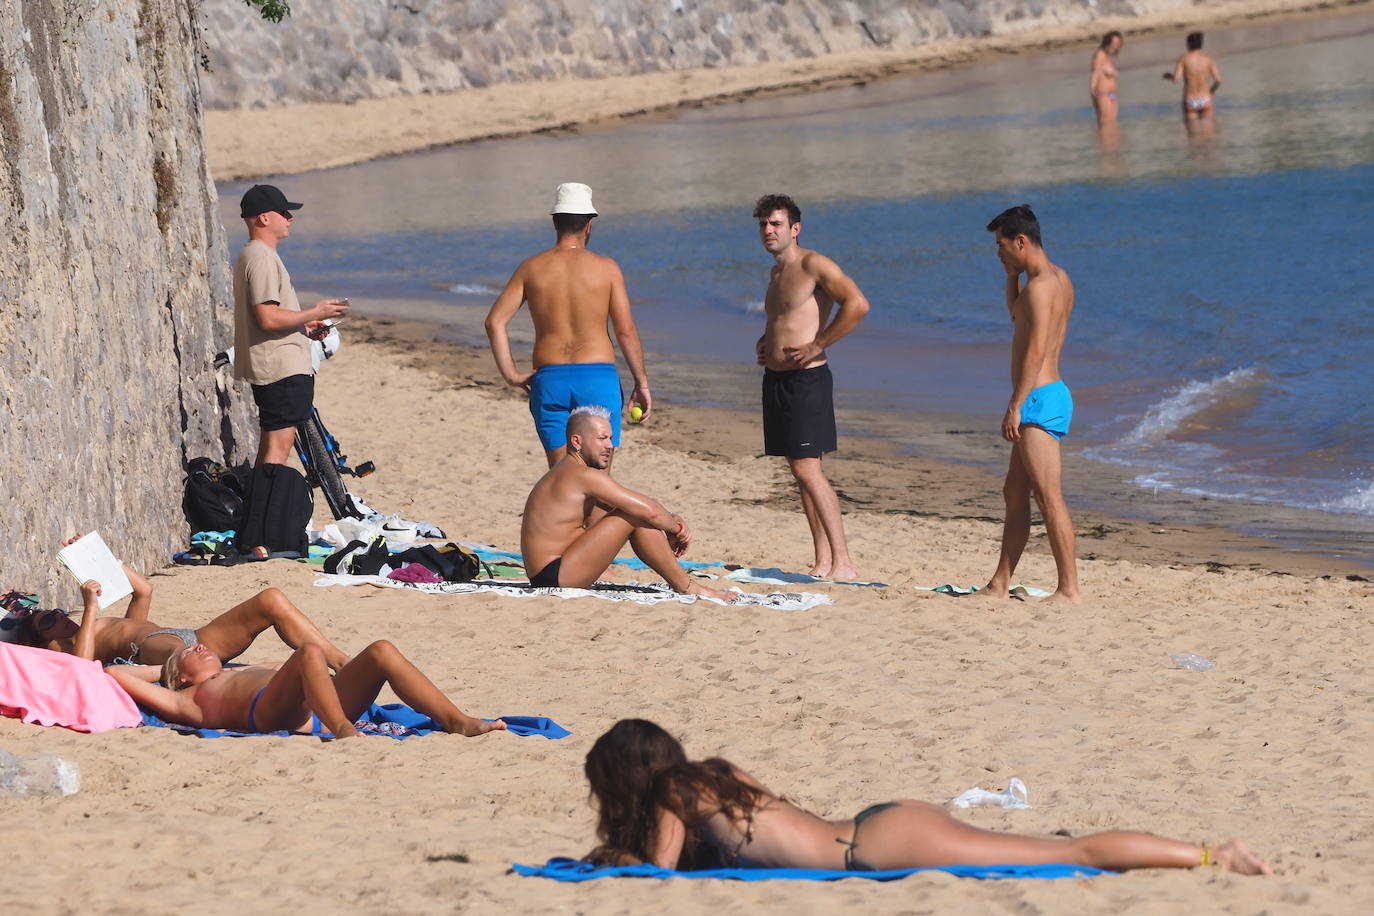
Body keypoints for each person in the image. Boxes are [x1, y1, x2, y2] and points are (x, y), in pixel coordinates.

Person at [583, 719, 1272, 875]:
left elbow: (656, 877)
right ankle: (1205, 853)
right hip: (878, 821)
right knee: (1057, 852)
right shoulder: (714, 772)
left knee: (1072, 851)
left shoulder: (672, 796)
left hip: (877, 846)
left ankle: (1211, 855)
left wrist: (616, 858)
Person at [485, 183, 652, 468]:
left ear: (554, 222)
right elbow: (626, 331)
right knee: (598, 478)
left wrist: (511, 375)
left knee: (562, 479)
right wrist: (641, 383)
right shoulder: (607, 268)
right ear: (589, 225)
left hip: (550, 380)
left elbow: (494, 321)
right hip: (597, 379)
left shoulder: (532, 268)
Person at [17, 533, 350, 669]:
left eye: (57, 611)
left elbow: (143, 591)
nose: (59, 616)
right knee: (207, 664)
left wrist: (96, 558)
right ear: (41, 639)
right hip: (152, 652)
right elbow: (81, 667)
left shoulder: (91, 627)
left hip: (192, 637)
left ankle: (340, 663)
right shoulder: (61, 648)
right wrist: (90, 606)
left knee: (271, 599)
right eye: (48, 620)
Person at [752, 194, 869, 580]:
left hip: (807, 381)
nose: (769, 231)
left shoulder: (813, 264)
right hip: (778, 379)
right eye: (764, 224)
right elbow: (786, 318)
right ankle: (822, 560)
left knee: (808, 470)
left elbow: (857, 304)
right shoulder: (774, 274)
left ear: (794, 229)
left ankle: (844, 563)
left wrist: (819, 343)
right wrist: (765, 341)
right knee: (800, 470)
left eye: (776, 224)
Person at [519, 406, 736, 602]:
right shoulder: (582, 475)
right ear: (577, 441)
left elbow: (644, 506)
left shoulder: (567, 471)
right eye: (602, 438)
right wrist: (677, 529)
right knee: (633, 516)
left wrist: (670, 519)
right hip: (554, 576)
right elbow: (648, 510)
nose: (609, 446)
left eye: (611, 438)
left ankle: (686, 584)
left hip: (552, 571)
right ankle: (689, 587)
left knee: (634, 513)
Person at [982, 206, 1081, 603]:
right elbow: (1016, 314)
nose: (999, 254)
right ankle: (999, 584)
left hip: (1037, 400)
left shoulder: (1040, 289)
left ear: (1021, 241)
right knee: (1014, 491)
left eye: (1002, 246)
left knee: (1048, 496)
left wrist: (1015, 404)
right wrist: (1011, 278)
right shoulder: (1057, 279)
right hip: (1047, 394)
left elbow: (1036, 350)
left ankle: (1070, 590)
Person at [107, 640, 504, 738]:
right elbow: (115, 673)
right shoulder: (183, 699)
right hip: (268, 711)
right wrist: (167, 670)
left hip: (317, 703)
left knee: (381, 651)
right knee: (309, 653)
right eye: (188, 653)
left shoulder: (241, 668)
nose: (198, 644)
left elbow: (299, 670)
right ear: (182, 676)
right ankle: (344, 731)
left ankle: (458, 721)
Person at [233, 184, 348, 466]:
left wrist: (303, 328)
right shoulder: (261, 257)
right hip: (280, 371)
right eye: (284, 212)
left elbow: (266, 317)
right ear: (264, 218)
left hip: (277, 366)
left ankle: (258, 507)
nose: (290, 218)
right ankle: (264, 511)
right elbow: (268, 318)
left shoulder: (255, 255)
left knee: (271, 447)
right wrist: (314, 311)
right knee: (277, 450)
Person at [1163, 33, 1221, 122]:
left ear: (1189, 44)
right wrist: (1211, 91)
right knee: (1209, 129)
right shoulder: (1208, 58)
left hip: (1190, 99)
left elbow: (1176, 78)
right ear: (1201, 43)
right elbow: (1218, 80)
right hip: (1205, 98)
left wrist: (1168, 76)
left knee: (1192, 129)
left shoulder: (1184, 59)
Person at [1089, 31, 1124, 127]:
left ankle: (1108, 142)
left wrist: (1113, 72)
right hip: (1103, 94)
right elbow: (1095, 72)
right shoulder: (1100, 54)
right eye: (1114, 43)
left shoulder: (1107, 56)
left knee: (1112, 123)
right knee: (1105, 123)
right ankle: (1104, 141)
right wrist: (1092, 89)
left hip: (1112, 95)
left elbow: (1105, 71)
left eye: (1118, 43)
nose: (1117, 45)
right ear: (1108, 42)